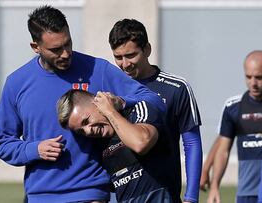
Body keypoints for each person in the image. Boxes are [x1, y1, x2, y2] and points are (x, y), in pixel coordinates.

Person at [0, 6, 165, 203]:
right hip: (40, 196)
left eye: (68, 44)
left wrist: (120, 102)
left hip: (91, 193)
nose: (65, 54)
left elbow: (151, 98)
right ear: (36, 47)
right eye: (56, 49)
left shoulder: (97, 69)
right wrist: (34, 149)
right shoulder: (17, 83)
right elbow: (3, 143)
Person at [108, 19, 203, 203]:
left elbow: (191, 143)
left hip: (164, 194)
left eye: (131, 55)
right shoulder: (110, 91)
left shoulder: (176, 88)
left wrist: (191, 197)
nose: (125, 64)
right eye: (118, 57)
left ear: (147, 49)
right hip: (120, 196)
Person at [57, 89, 177, 202]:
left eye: (86, 121)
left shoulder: (137, 111)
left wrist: (110, 111)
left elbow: (141, 143)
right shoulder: (99, 147)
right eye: (81, 131)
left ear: (98, 103)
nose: (88, 131)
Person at [206, 50, 262, 203]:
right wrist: (215, 186)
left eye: (259, 77)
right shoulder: (233, 107)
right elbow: (222, 151)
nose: (253, 83)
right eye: (248, 77)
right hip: (246, 193)